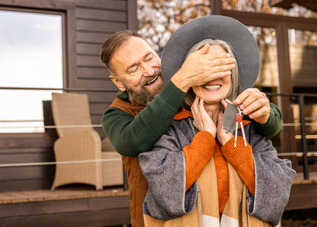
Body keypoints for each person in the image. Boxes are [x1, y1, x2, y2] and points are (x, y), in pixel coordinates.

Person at [101, 27, 283, 226]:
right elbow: (132, 142)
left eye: (149, 57)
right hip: (158, 219)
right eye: (133, 68)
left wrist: (268, 114)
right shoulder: (117, 113)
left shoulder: (194, 89)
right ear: (118, 83)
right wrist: (182, 80)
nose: (149, 70)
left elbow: (263, 121)